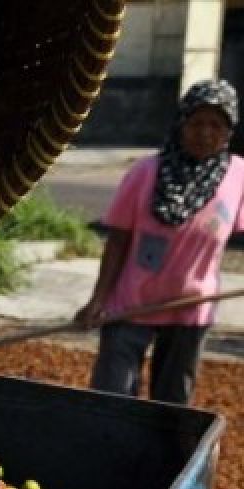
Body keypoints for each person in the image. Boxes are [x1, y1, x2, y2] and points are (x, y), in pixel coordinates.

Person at [75, 79, 244, 405]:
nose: (205, 132)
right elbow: (118, 240)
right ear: (181, 124)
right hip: (130, 306)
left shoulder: (238, 175)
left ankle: (162, 457)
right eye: (196, 122)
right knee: (111, 400)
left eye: (216, 124)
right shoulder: (145, 173)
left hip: (191, 311)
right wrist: (98, 299)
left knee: (172, 406)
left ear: (229, 131)